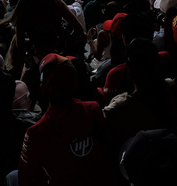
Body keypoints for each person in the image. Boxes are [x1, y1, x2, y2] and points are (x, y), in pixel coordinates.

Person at [19, 53, 116, 186]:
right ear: (75, 83)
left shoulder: (35, 134)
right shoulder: (93, 110)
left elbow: (26, 179)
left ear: (42, 89)